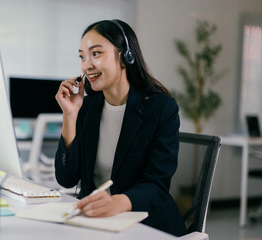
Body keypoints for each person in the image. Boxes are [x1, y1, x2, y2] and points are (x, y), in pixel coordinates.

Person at [54, 19, 187, 237]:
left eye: (96, 53)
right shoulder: (87, 108)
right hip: (98, 225)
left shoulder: (161, 108)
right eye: (82, 56)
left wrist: (119, 203)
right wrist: (70, 115)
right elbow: (66, 179)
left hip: (147, 224)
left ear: (126, 56)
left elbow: (157, 183)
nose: (86, 65)